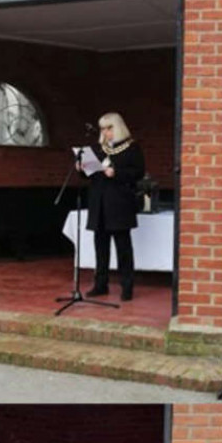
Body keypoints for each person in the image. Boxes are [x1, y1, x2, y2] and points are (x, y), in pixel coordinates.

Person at [82, 112, 145, 301]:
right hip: (99, 203)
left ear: (117, 128)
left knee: (123, 247)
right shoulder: (98, 149)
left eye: (109, 128)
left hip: (119, 203)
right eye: (103, 128)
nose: (105, 132)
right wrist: (83, 169)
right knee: (100, 247)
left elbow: (138, 172)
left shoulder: (132, 148)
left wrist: (115, 173)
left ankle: (127, 286)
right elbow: (92, 174)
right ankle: (101, 284)